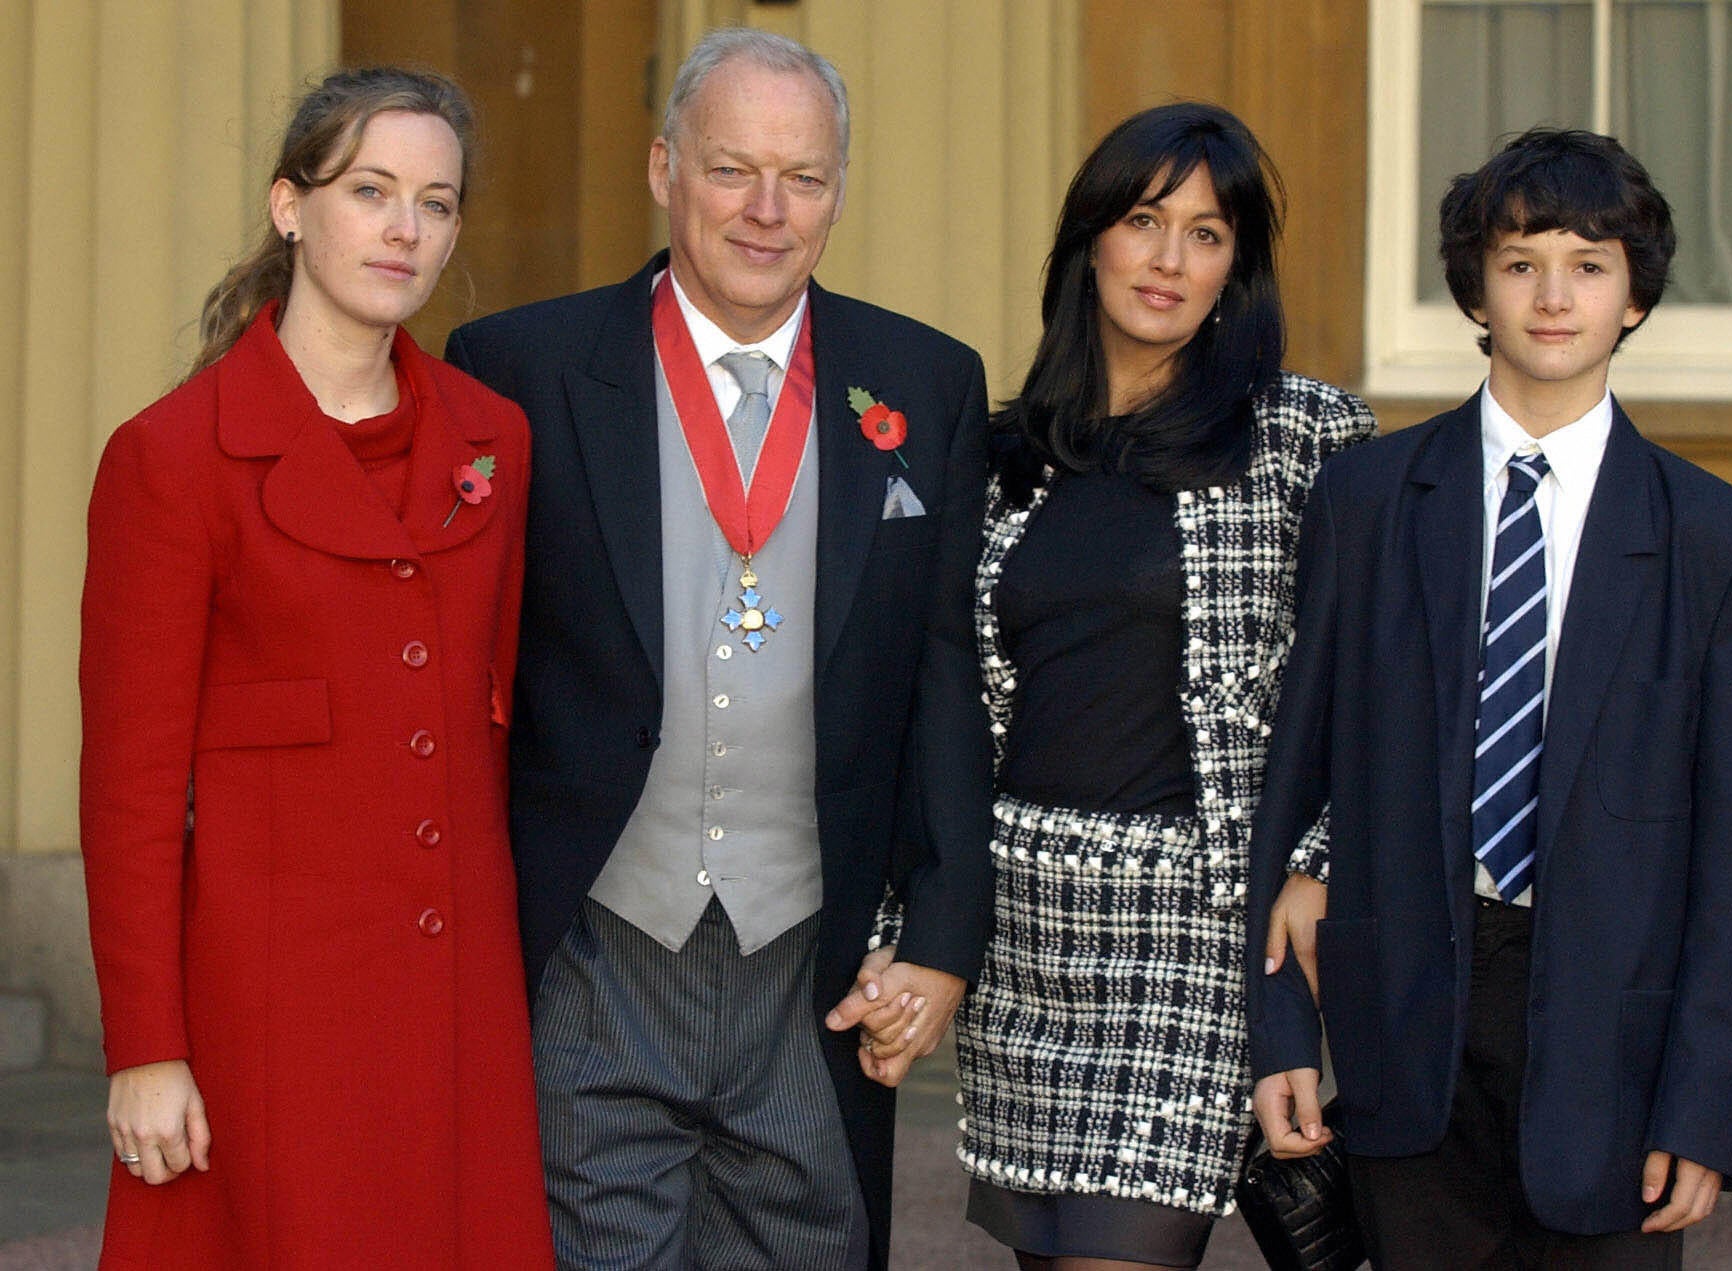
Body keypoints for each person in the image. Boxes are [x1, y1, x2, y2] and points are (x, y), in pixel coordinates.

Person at [443, 27, 992, 1271]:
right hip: (591, 951)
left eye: (803, 177)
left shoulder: (925, 380)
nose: (766, 209)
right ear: (661, 170)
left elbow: (943, 677)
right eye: (731, 168)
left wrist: (947, 931)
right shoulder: (516, 372)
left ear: (837, 191)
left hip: (809, 959)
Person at [1246, 126, 1732, 1269]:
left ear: (1633, 297)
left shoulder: (1722, 544)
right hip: (1403, 1022)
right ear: (1474, 289)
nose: (1552, 295)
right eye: (1518, 261)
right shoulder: (1369, 499)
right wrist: (1278, 1032)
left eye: (1588, 264)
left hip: (1614, 1043)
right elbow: (1290, 779)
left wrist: (1704, 1108)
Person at [78, 67, 553, 1268]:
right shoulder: (170, 459)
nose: (405, 229)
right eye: (371, 190)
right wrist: (146, 1047)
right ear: (291, 207)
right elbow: (128, 789)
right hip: (268, 1017)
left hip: (458, 1012)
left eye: (436, 203)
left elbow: (491, 724)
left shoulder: (493, 440)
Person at [893, 102, 1374, 1270]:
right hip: (1026, 939)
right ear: (1088, 240)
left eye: (1205, 234)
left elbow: (1364, 686)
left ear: (1237, 267)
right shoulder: (1003, 452)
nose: (1167, 260)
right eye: (1143, 220)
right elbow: (942, 705)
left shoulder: (1303, 439)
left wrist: (1313, 860)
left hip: (1191, 938)